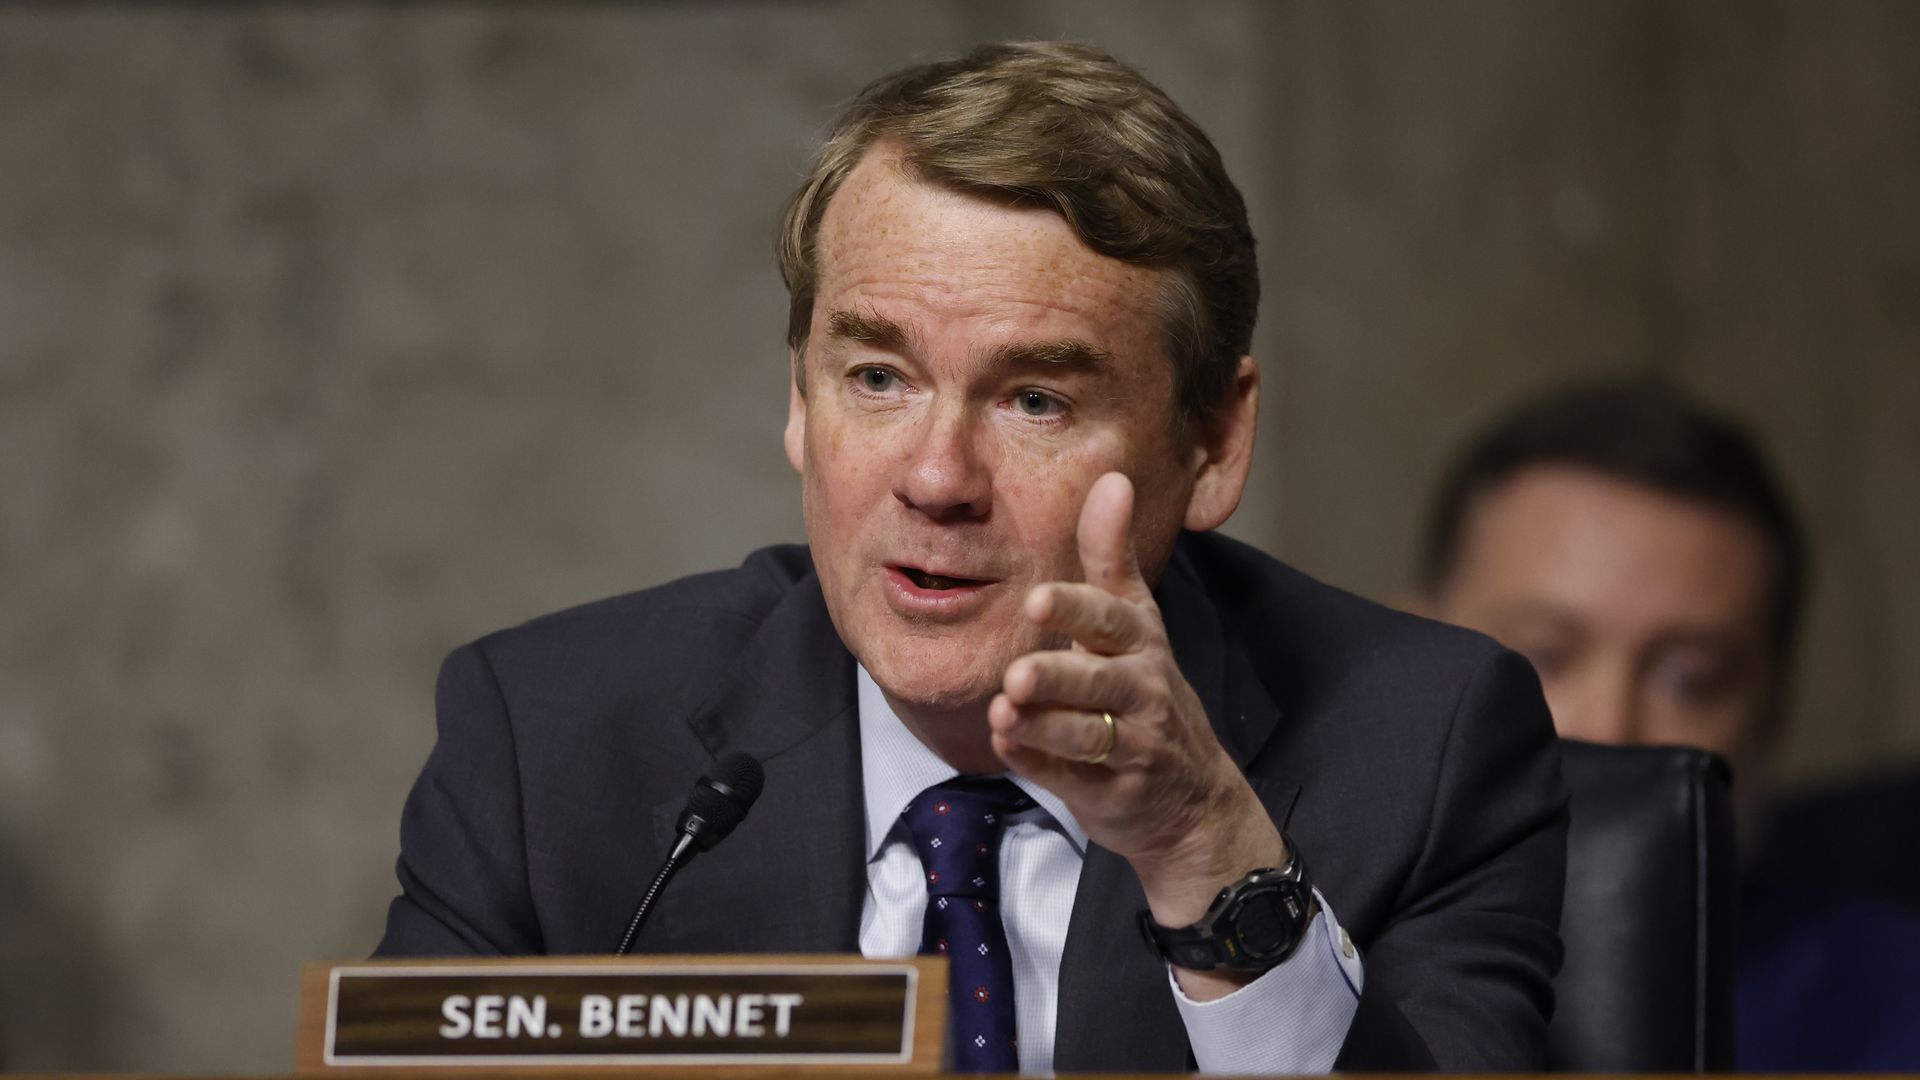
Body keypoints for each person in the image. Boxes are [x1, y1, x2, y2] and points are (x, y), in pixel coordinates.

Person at [375, 42, 1566, 1073]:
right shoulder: (548, 738)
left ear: (1212, 442)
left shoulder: (1428, 742)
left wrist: (1204, 847)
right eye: (877, 378)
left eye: (1037, 399)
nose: (937, 479)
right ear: (799, 399)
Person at [1414, 378, 1920, 1071]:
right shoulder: (1278, 971)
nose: (1610, 729)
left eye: (1691, 679)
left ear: (1772, 713)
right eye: (1543, 656)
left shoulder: (1894, 1015)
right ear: (1410, 664)